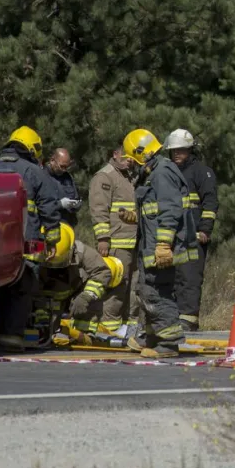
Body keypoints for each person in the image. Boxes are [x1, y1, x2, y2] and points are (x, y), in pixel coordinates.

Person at [0, 126, 61, 351]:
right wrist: (53, 240)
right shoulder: (36, 172)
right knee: (22, 286)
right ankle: (11, 336)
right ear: (33, 149)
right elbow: (49, 208)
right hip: (26, 242)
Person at [123, 128, 198, 358]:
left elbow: (171, 210)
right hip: (152, 247)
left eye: (132, 158)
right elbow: (156, 209)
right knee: (146, 289)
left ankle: (168, 343)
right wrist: (136, 216)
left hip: (161, 248)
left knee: (157, 292)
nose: (130, 163)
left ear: (142, 153)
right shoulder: (153, 172)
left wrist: (164, 245)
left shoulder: (162, 172)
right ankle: (150, 337)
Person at [162, 129, 219, 332]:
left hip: (194, 236)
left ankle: (188, 320)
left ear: (190, 150)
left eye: (182, 150)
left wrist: (205, 229)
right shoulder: (167, 172)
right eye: (174, 151)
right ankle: (172, 317)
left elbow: (210, 203)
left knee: (190, 277)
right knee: (172, 278)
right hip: (172, 236)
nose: (177, 154)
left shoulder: (201, 172)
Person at [35, 223, 123, 346]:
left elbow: (102, 272)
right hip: (49, 298)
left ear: (71, 250)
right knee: (43, 328)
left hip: (76, 292)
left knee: (91, 299)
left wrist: (87, 296)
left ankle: (85, 333)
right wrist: (40, 309)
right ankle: (43, 330)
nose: (57, 268)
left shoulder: (82, 251)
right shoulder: (34, 252)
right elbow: (33, 286)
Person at [89, 144, 140, 338]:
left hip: (133, 240)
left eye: (131, 157)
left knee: (134, 286)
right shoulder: (105, 176)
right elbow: (99, 209)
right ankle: (108, 328)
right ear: (115, 153)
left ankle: (129, 328)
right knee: (116, 285)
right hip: (116, 241)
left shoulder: (131, 176)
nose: (129, 160)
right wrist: (103, 238)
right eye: (125, 156)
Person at [45, 147, 82, 227]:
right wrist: (60, 204)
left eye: (66, 167)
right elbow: (42, 206)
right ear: (52, 161)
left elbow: (75, 196)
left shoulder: (68, 177)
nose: (64, 170)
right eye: (62, 166)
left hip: (68, 225)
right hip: (50, 226)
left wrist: (77, 204)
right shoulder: (41, 177)